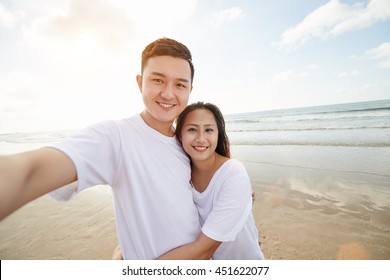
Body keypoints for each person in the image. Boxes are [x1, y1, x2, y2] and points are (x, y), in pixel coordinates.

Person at [0, 37, 204, 260]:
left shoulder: (190, 142)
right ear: (140, 82)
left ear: (190, 90)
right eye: (158, 80)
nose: (168, 93)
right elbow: (32, 170)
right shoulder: (115, 136)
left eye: (180, 84)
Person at [158, 102, 264, 259]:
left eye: (209, 130)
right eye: (192, 129)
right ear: (180, 135)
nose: (201, 138)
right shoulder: (180, 175)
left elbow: (204, 250)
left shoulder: (233, 173)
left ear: (218, 135)